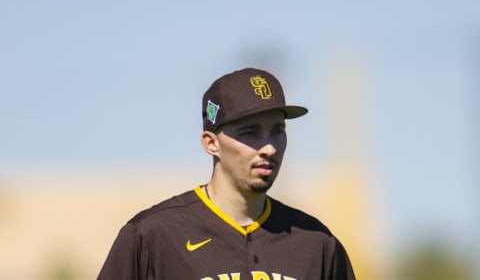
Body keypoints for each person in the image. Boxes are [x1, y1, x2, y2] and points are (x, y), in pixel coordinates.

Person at [97, 67, 356, 280]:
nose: (269, 147)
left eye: (277, 130)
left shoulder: (317, 243)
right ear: (211, 143)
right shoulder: (153, 236)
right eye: (250, 132)